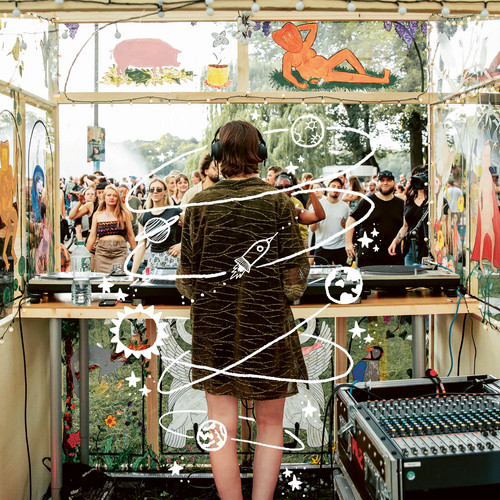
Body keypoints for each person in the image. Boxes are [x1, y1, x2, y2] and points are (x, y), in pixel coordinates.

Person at [177, 120, 309, 500]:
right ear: (259, 153)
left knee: (221, 424)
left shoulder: (199, 204)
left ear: (218, 154)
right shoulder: (278, 202)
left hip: (214, 329)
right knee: (269, 425)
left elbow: (187, 279)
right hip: (267, 327)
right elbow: (294, 279)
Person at [346, 170, 404, 267]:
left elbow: (405, 226)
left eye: (388, 180)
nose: (385, 183)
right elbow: (351, 220)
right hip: (368, 257)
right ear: (378, 183)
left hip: (393, 256)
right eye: (382, 180)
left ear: (394, 183)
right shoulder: (367, 201)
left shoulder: (401, 204)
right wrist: (348, 243)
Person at [131, 178, 182, 274]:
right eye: (152, 189)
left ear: (165, 192)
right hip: (153, 261)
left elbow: (193, 230)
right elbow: (141, 246)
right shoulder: (144, 216)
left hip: (172, 260)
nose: (155, 192)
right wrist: (133, 273)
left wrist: (181, 245)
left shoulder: (175, 211)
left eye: (159, 189)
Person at [86, 184, 136, 273]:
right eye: (109, 195)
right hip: (101, 253)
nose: (111, 198)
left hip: (119, 252)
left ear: (118, 198)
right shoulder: (97, 215)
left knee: (117, 278)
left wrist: (135, 253)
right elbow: (92, 236)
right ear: (104, 197)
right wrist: (85, 253)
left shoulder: (124, 214)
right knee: (101, 279)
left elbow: (130, 235)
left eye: (115, 195)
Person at [389, 170, 429, 266]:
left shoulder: (433, 202)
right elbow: (405, 226)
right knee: (410, 274)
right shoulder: (409, 202)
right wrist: (395, 241)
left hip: (428, 248)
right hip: (411, 247)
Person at [275, 172, 325, 248]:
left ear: (292, 189)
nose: (284, 190)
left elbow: (319, 216)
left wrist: (310, 193)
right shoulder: (268, 206)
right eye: (279, 187)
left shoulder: (295, 210)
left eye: (288, 187)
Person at [310, 178, 350, 265]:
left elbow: (347, 226)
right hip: (322, 247)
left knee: (341, 273)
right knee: (321, 273)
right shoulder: (318, 204)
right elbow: (312, 229)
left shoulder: (345, 207)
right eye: (333, 186)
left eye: (338, 187)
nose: (336, 189)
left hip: (340, 247)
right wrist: (316, 217)